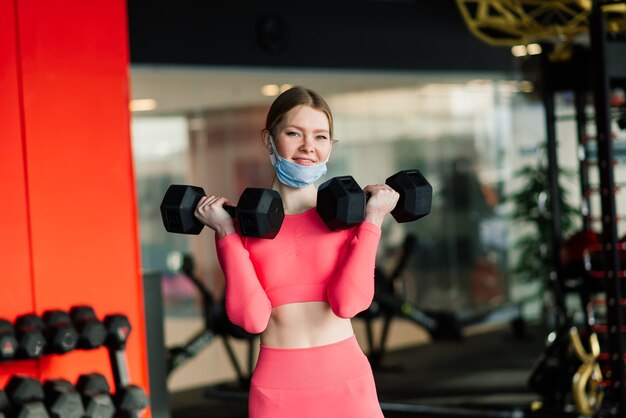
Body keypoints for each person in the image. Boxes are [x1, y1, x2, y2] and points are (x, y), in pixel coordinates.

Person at [194, 86, 398, 418]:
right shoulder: (242, 228)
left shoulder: (350, 220)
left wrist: (373, 220)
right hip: (277, 393)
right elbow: (251, 318)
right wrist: (225, 233)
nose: (308, 147)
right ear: (269, 139)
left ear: (331, 146)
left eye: (320, 137)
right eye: (294, 133)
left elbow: (350, 303)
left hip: (347, 384)